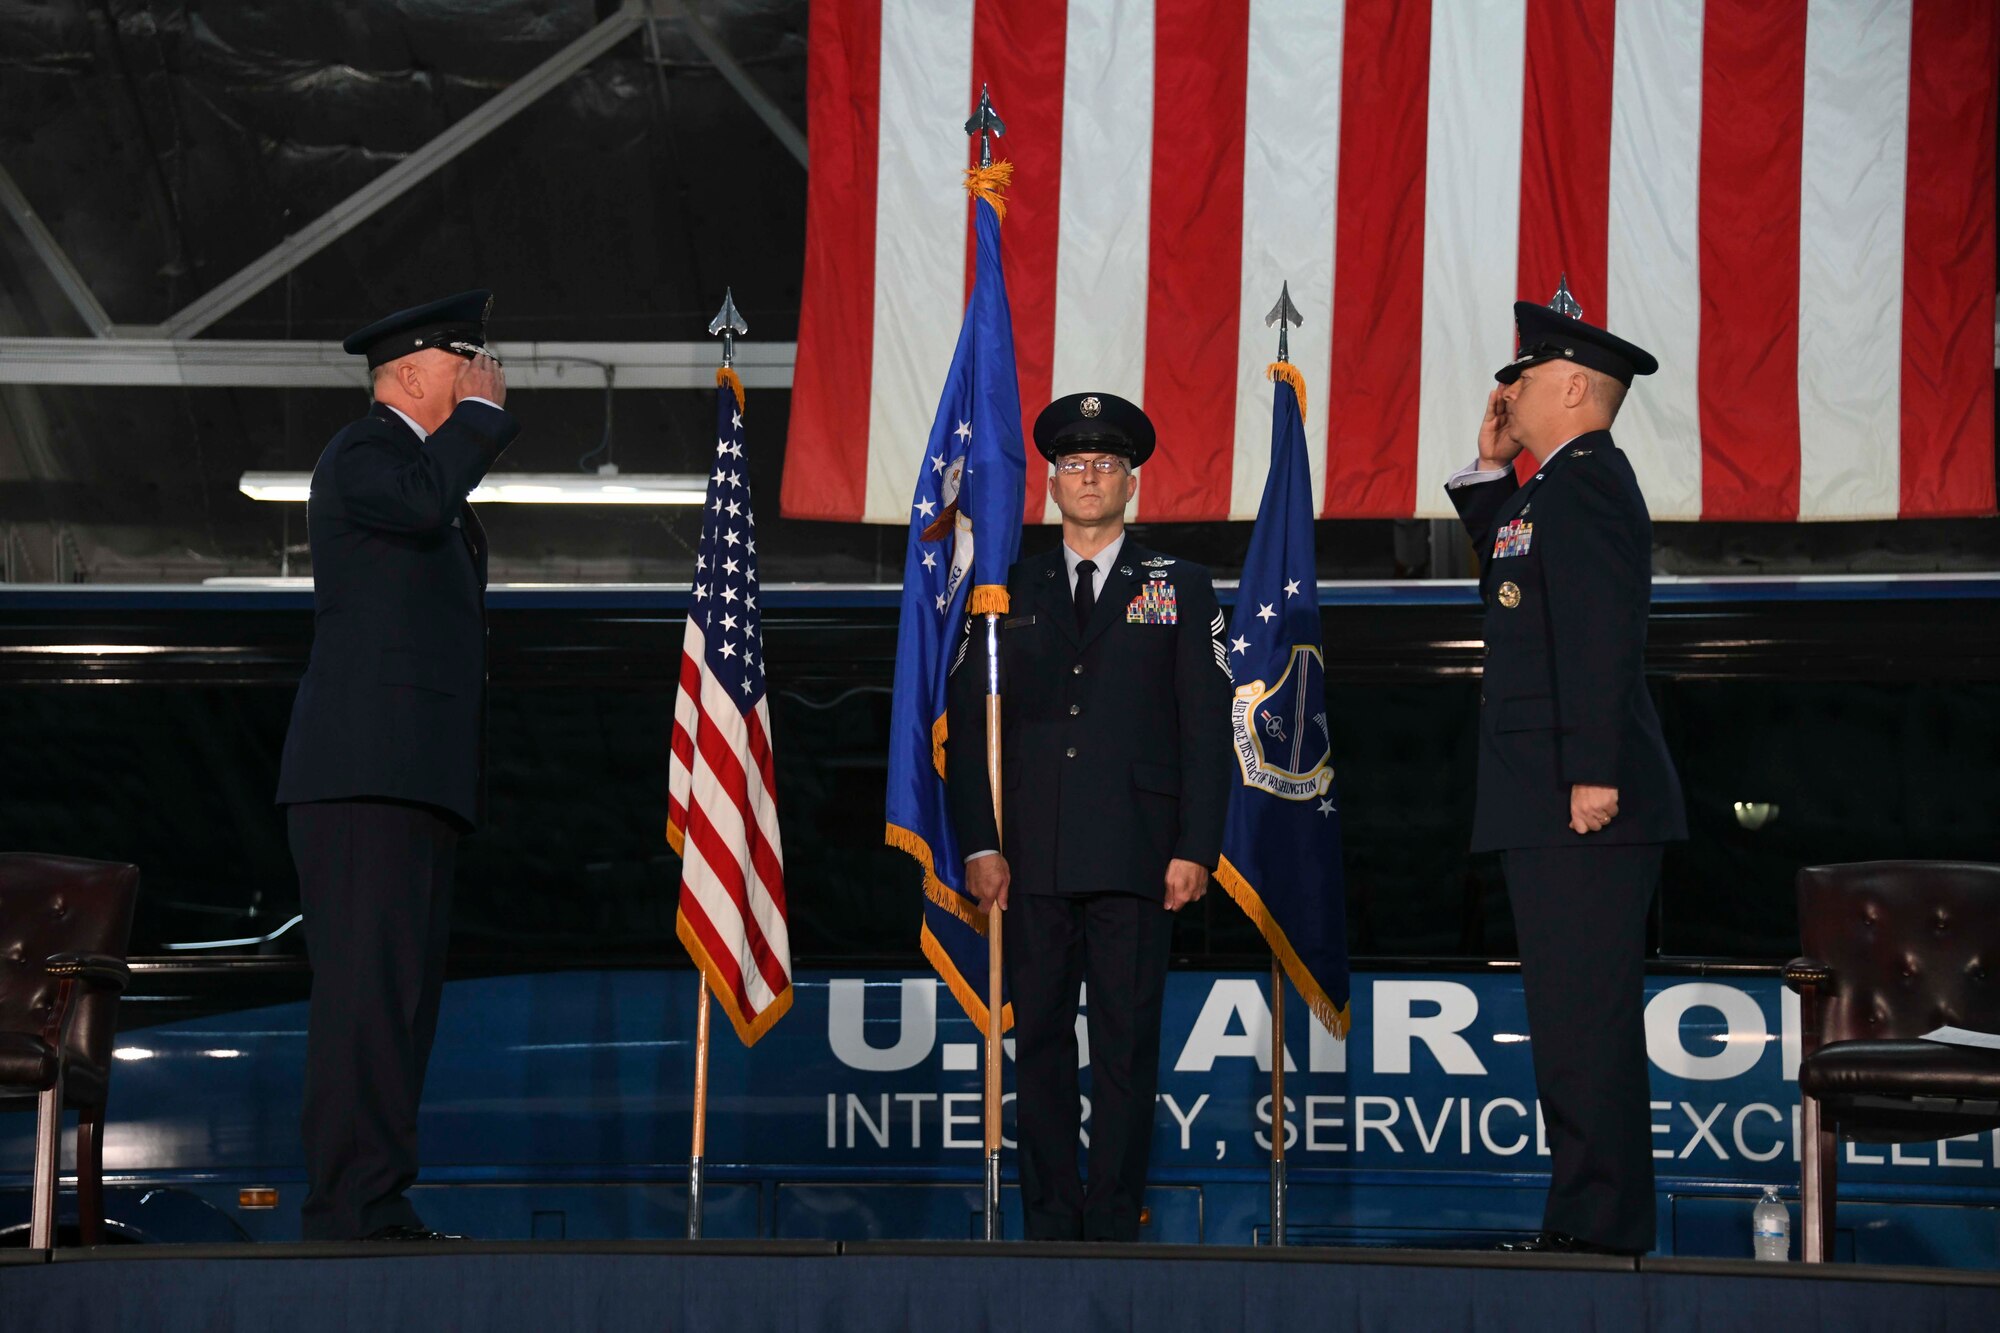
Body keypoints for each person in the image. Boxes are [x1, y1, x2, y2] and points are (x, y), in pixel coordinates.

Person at [947, 391, 1232, 1242]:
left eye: (1106, 464)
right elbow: (970, 728)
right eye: (1074, 464)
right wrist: (980, 840)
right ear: (1051, 483)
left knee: (1124, 1049)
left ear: (1131, 484)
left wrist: (1197, 847)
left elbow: (1205, 730)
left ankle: (1110, 1221)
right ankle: (1047, 1218)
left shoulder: (1178, 585)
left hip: (1140, 858)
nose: (1090, 476)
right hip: (1027, 858)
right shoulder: (1004, 586)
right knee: (1037, 1047)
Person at [1446, 288, 1688, 1256]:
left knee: (1585, 1032)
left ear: (1576, 384)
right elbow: (1512, 582)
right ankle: (1579, 1225)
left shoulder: (1588, 483)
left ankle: (1597, 1235)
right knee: (1568, 1029)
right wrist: (1488, 470)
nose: (1509, 390)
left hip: (1579, 802)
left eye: (1526, 375)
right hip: (1544, 796)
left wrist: (1591, 771)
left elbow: (1599, 635)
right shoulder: (1554, 487)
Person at [275, 289, 517, 1242]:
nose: (486, 376)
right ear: (413, 372)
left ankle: (377, 1194)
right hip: (360, 778)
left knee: (402, 1005)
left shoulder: (421, 472)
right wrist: (485, 425)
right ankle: (348, 1205)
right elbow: (419, 505)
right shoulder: (366, 453)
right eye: (469, 361)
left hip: (413, 780)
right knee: (363, 1001)